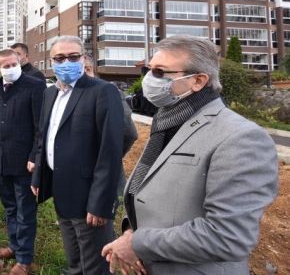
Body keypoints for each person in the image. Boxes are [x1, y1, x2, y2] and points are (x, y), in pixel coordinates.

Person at [102, 36, 279, 275]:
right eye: (149, 70)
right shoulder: (168, 122)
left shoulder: (241, 137)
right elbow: (148, 191)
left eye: (160, 72)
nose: (149, 80)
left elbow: (228, 236)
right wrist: (131, 234)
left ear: (198, 81)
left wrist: (138, 244)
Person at [31, 35, 123, 275]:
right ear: (51, 62)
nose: (67, 63)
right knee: (74, 261)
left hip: (89, 195)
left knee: (95, 265)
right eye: (60, 58)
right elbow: (44, 137)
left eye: (73, 57)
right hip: (61, 190)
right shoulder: (50, 94)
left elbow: (110, 151)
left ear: (83, 58)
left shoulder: (103, 91)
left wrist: (101, 203)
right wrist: (38, 176)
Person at [0, 49, 46, 275]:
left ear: (20, 62)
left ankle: (24, 259)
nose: (10, 68)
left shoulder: (35, 86)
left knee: (25, 211)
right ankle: (13, 246)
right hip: (0, 159)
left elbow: (40, 127)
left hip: (24, 163)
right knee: (10, 207)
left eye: (13, 64)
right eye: (6, 66)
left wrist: (34, 156)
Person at [83, 54, 138, 196]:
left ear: (89, 69)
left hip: (104, 175)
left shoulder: (109, 92)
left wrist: (110, 155)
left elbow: (128, 132)